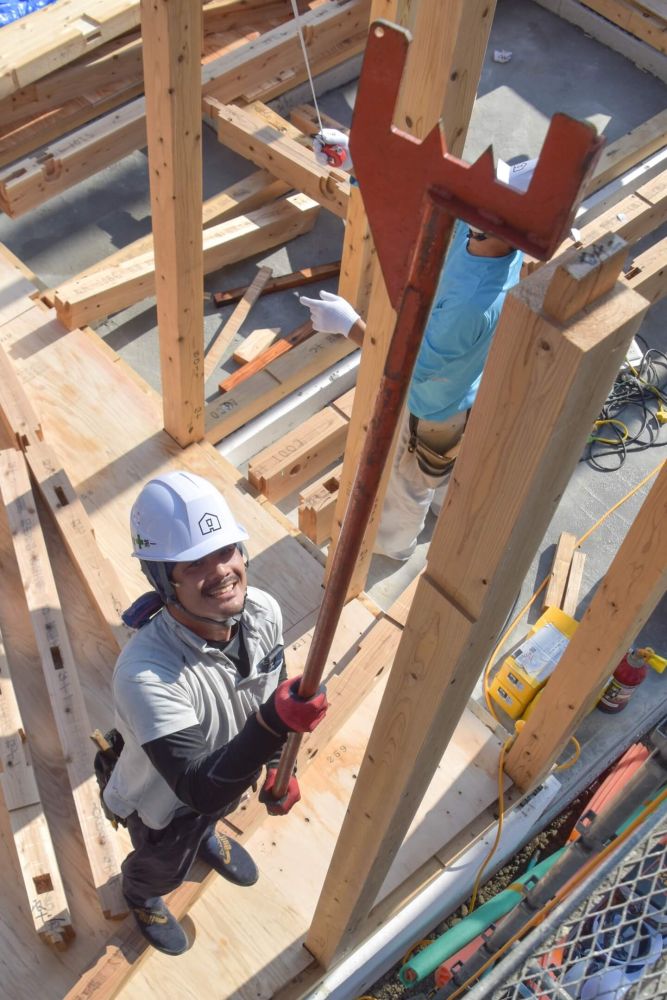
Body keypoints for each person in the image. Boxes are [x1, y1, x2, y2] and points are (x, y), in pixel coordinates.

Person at [102, 470, 328, 955]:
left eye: (226, 550)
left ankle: (207, 839)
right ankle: (140, 893)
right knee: (165, 860)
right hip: (164, 806)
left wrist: (272, 763)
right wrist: (271, 728)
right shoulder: (146, 673)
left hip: (228, 781)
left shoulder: (263, 610)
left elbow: (271, 688)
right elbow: (197, 788)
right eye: (195, 564)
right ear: (165, 582)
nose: (222, 571)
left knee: (214, 813)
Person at [302, 132, 534, 560]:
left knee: (408, 484)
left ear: (495, 220)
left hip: (433, 404)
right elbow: (417, 203)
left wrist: (349, 325)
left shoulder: (471, 304)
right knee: (441, 467)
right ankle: (443, 490)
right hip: (460, 387)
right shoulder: (485, 235)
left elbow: (410, 367)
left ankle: (396, 546)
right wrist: (357, 164)